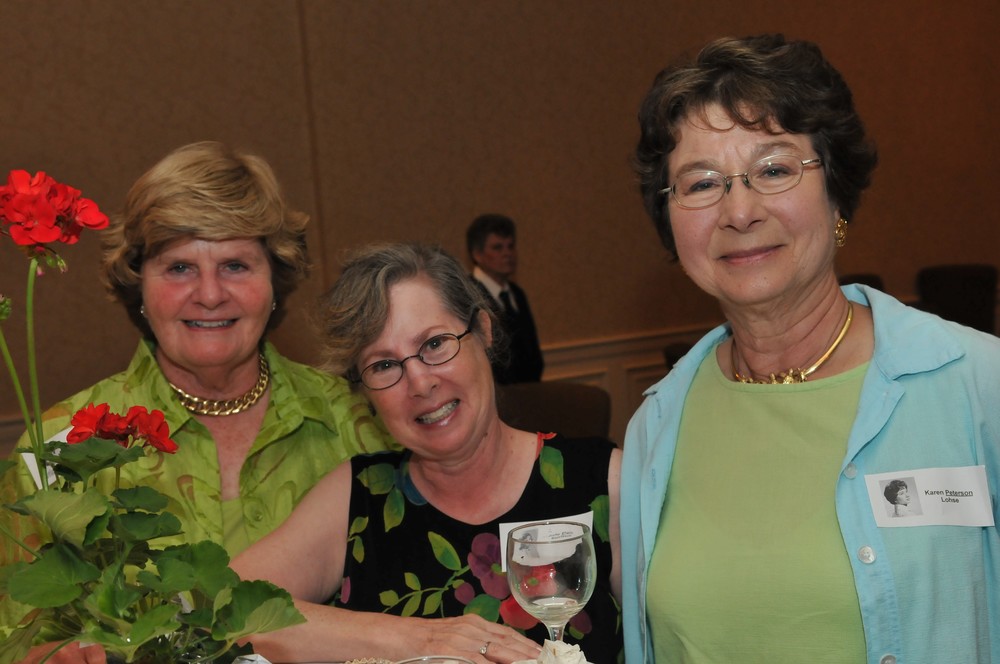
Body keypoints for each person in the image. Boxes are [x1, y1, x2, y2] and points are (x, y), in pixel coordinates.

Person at [620, 33, 1000, 663]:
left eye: (774, 170)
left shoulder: (979, 385)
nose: (739, 211)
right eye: (702, 183)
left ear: (836, 193)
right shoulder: (655, 428)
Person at [0, 141, 395, 663]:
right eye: (180, 268)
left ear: (275, 281)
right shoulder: (58, 446)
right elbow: (16, 638)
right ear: (138, 284)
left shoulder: (362, 422)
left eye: (235, 265)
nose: (210, 294)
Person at [232, 243, 623, 664]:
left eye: (435, 343)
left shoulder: (604, 481)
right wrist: (419, 639)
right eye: (384, 365)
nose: (419, 383)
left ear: (483, 330)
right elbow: (223, 606)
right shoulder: (359, 498)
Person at [466, 214, 544, 384]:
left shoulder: (517, 293)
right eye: (497, 247)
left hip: (530, 391)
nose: (507, 253)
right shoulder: (468, 296)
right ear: (477, 254)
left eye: (511, 246)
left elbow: (533, 355)